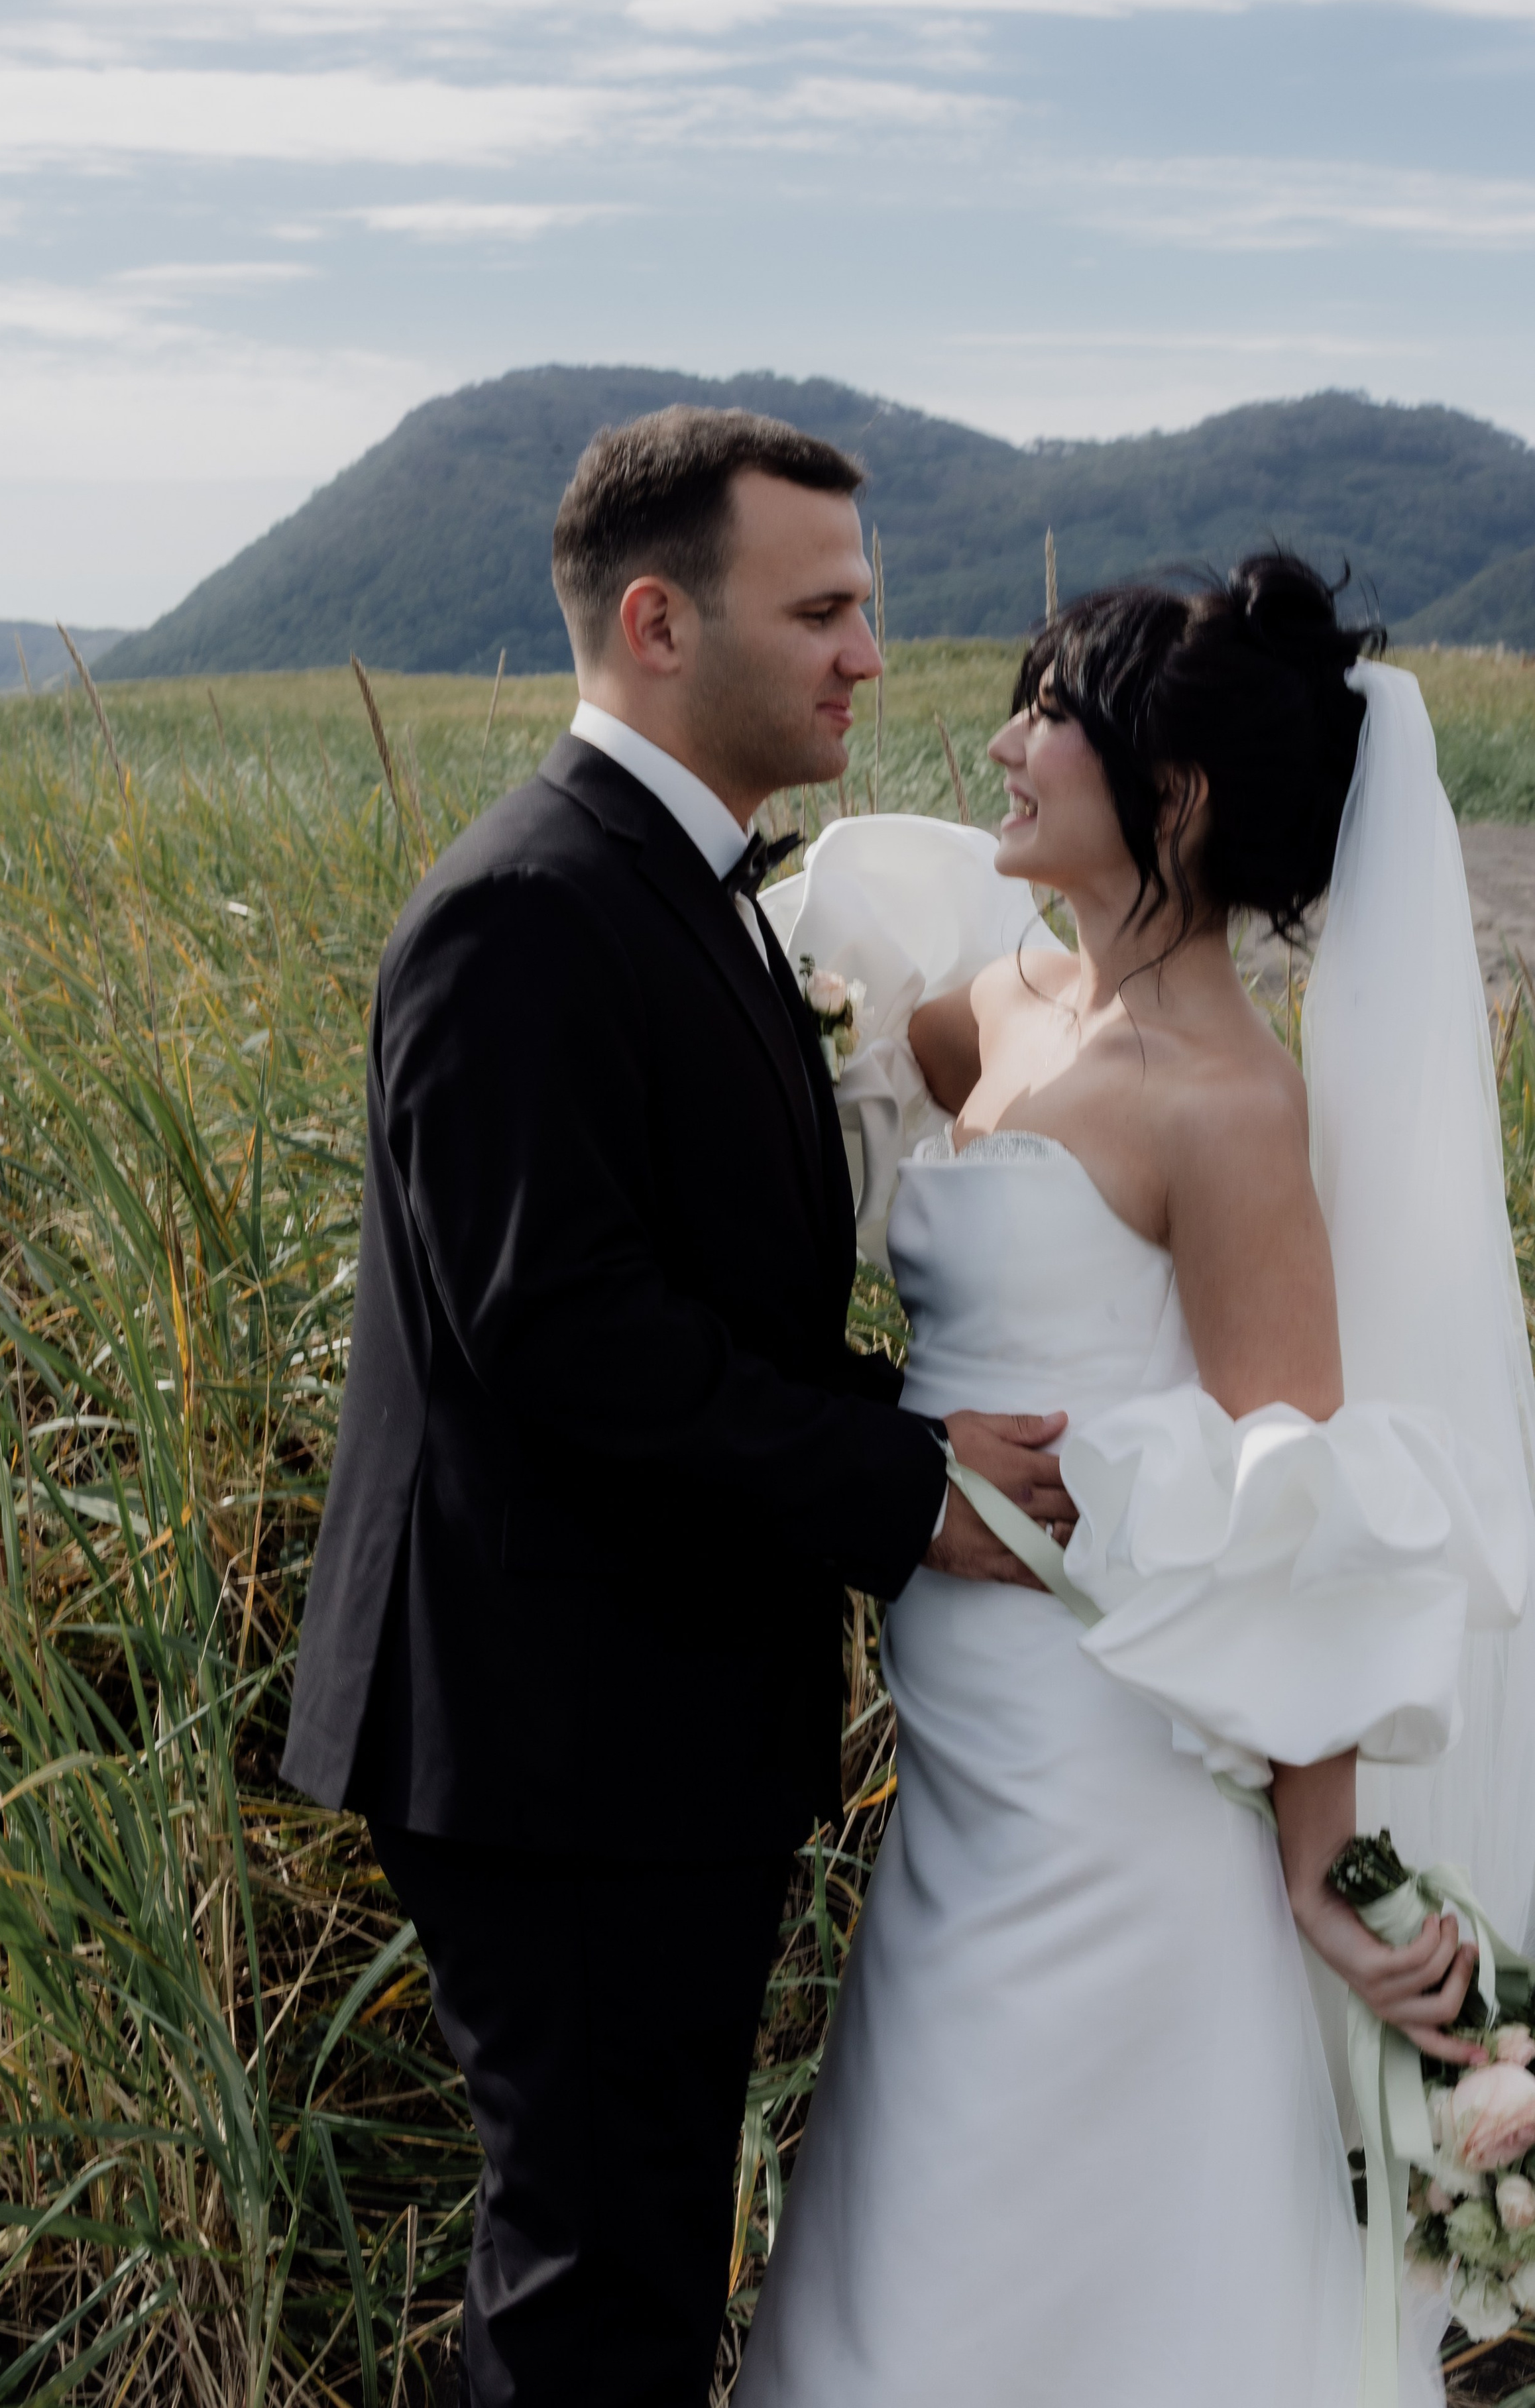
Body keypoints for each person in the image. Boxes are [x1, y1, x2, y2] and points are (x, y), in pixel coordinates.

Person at [280, 406, 1076, 2406]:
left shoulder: (679, 884)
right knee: (590, 2298)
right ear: (655, 621)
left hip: (630, 1719)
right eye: (820, 609)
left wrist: (916, 1422)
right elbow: (557, 1330)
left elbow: (702, 1291)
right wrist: (895, 1485)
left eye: (866, 607)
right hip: (549, 1737)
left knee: (620, 2273)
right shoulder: (525, 911)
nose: (867, 656)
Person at [734, 558, 1535, 2407]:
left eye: (1047, 717)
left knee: (1037, 2234)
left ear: (1171, 799)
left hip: (1111, 1779)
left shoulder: (1225, 1106)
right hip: (966, 1767)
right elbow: (863, 1154)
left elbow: (1302, 1507)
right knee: (917, 2196)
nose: (1002, 745)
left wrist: (1327, 1868)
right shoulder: (993, 1008)